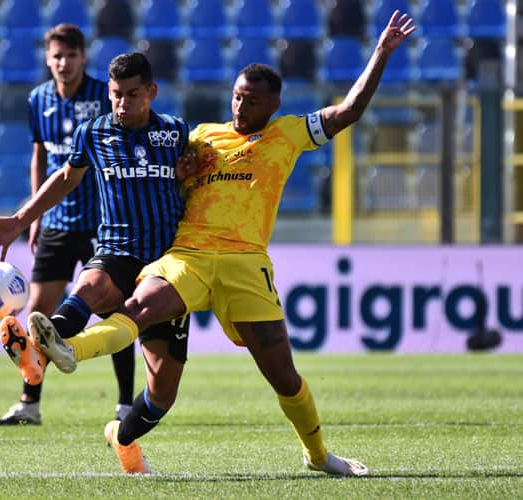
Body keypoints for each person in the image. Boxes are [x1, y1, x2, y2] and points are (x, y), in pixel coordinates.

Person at [21, 11, 416, 476]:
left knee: (282, 377)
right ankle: (65, 350)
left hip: (246, 263)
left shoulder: (287, 134)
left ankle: (317, 456)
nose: (239, 107)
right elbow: (153, 165)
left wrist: (380, 54)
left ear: (273, 104)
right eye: (235, 97)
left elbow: (347, 112)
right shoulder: (201, 136)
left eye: (250, 101)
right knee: (140, 307)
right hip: (187, 254)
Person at [0, 52, 194, 420]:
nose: (122, 103)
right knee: (88, 286)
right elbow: (65, 179)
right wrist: (21, 219)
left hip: (166, 262)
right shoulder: (94, 132)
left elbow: (196, 187)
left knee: (161, 392)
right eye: (116, 94)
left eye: (133, 94)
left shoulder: (176, 132)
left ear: (152, 91)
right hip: (117, 249)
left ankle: (123, 432)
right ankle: (39, 351)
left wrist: (184, 178)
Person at [0, 24, 135, 426]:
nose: (63, 63)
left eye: (71, 55)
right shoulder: (38, 99)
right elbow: (40, 155)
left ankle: (125, 403)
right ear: (47, 58)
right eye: (57, 56)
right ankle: (29, 403)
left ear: (82, 58)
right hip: (55, 222)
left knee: (113, 310)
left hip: (100, 223)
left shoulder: (102, 97)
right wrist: (33, 214)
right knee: (39, 311)